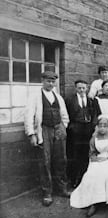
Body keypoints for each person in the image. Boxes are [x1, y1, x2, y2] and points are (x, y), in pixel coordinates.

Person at [24, 71, 70, 207]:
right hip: (44, 130)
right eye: (48, 81)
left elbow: (64, 115)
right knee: (45, 161)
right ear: (42, 81)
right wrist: (31, 134)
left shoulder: (58, 97)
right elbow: (28, 116)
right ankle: (47, 192)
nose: (51, 84)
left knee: (61, 159)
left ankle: (62, 188)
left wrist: (63, 127)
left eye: (53, 81)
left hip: (58, 129)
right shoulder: (35, 96)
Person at [70, 116, 108, 217]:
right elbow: (91, 153)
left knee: (104, 174)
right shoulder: (94, 137)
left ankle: (102, 200)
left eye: (105, 126)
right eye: (100, 126)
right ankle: (93, 202)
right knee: (91, 175)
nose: (102, 128)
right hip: (97, 159)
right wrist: (96, 159)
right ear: (97, 127)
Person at [65, 80, 95, 187]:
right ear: (75, 88)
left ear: (86, 88)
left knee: (86, 154)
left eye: (83, 88)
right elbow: (65, 114)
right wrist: (71, 127)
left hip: (87, 130)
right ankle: (73, 179)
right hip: (75, 130)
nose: (82, 90)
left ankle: (84, 178)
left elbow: (94, 114)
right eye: (79, 88)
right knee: (74, 155)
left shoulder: (91, 100)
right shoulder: (69, 100)